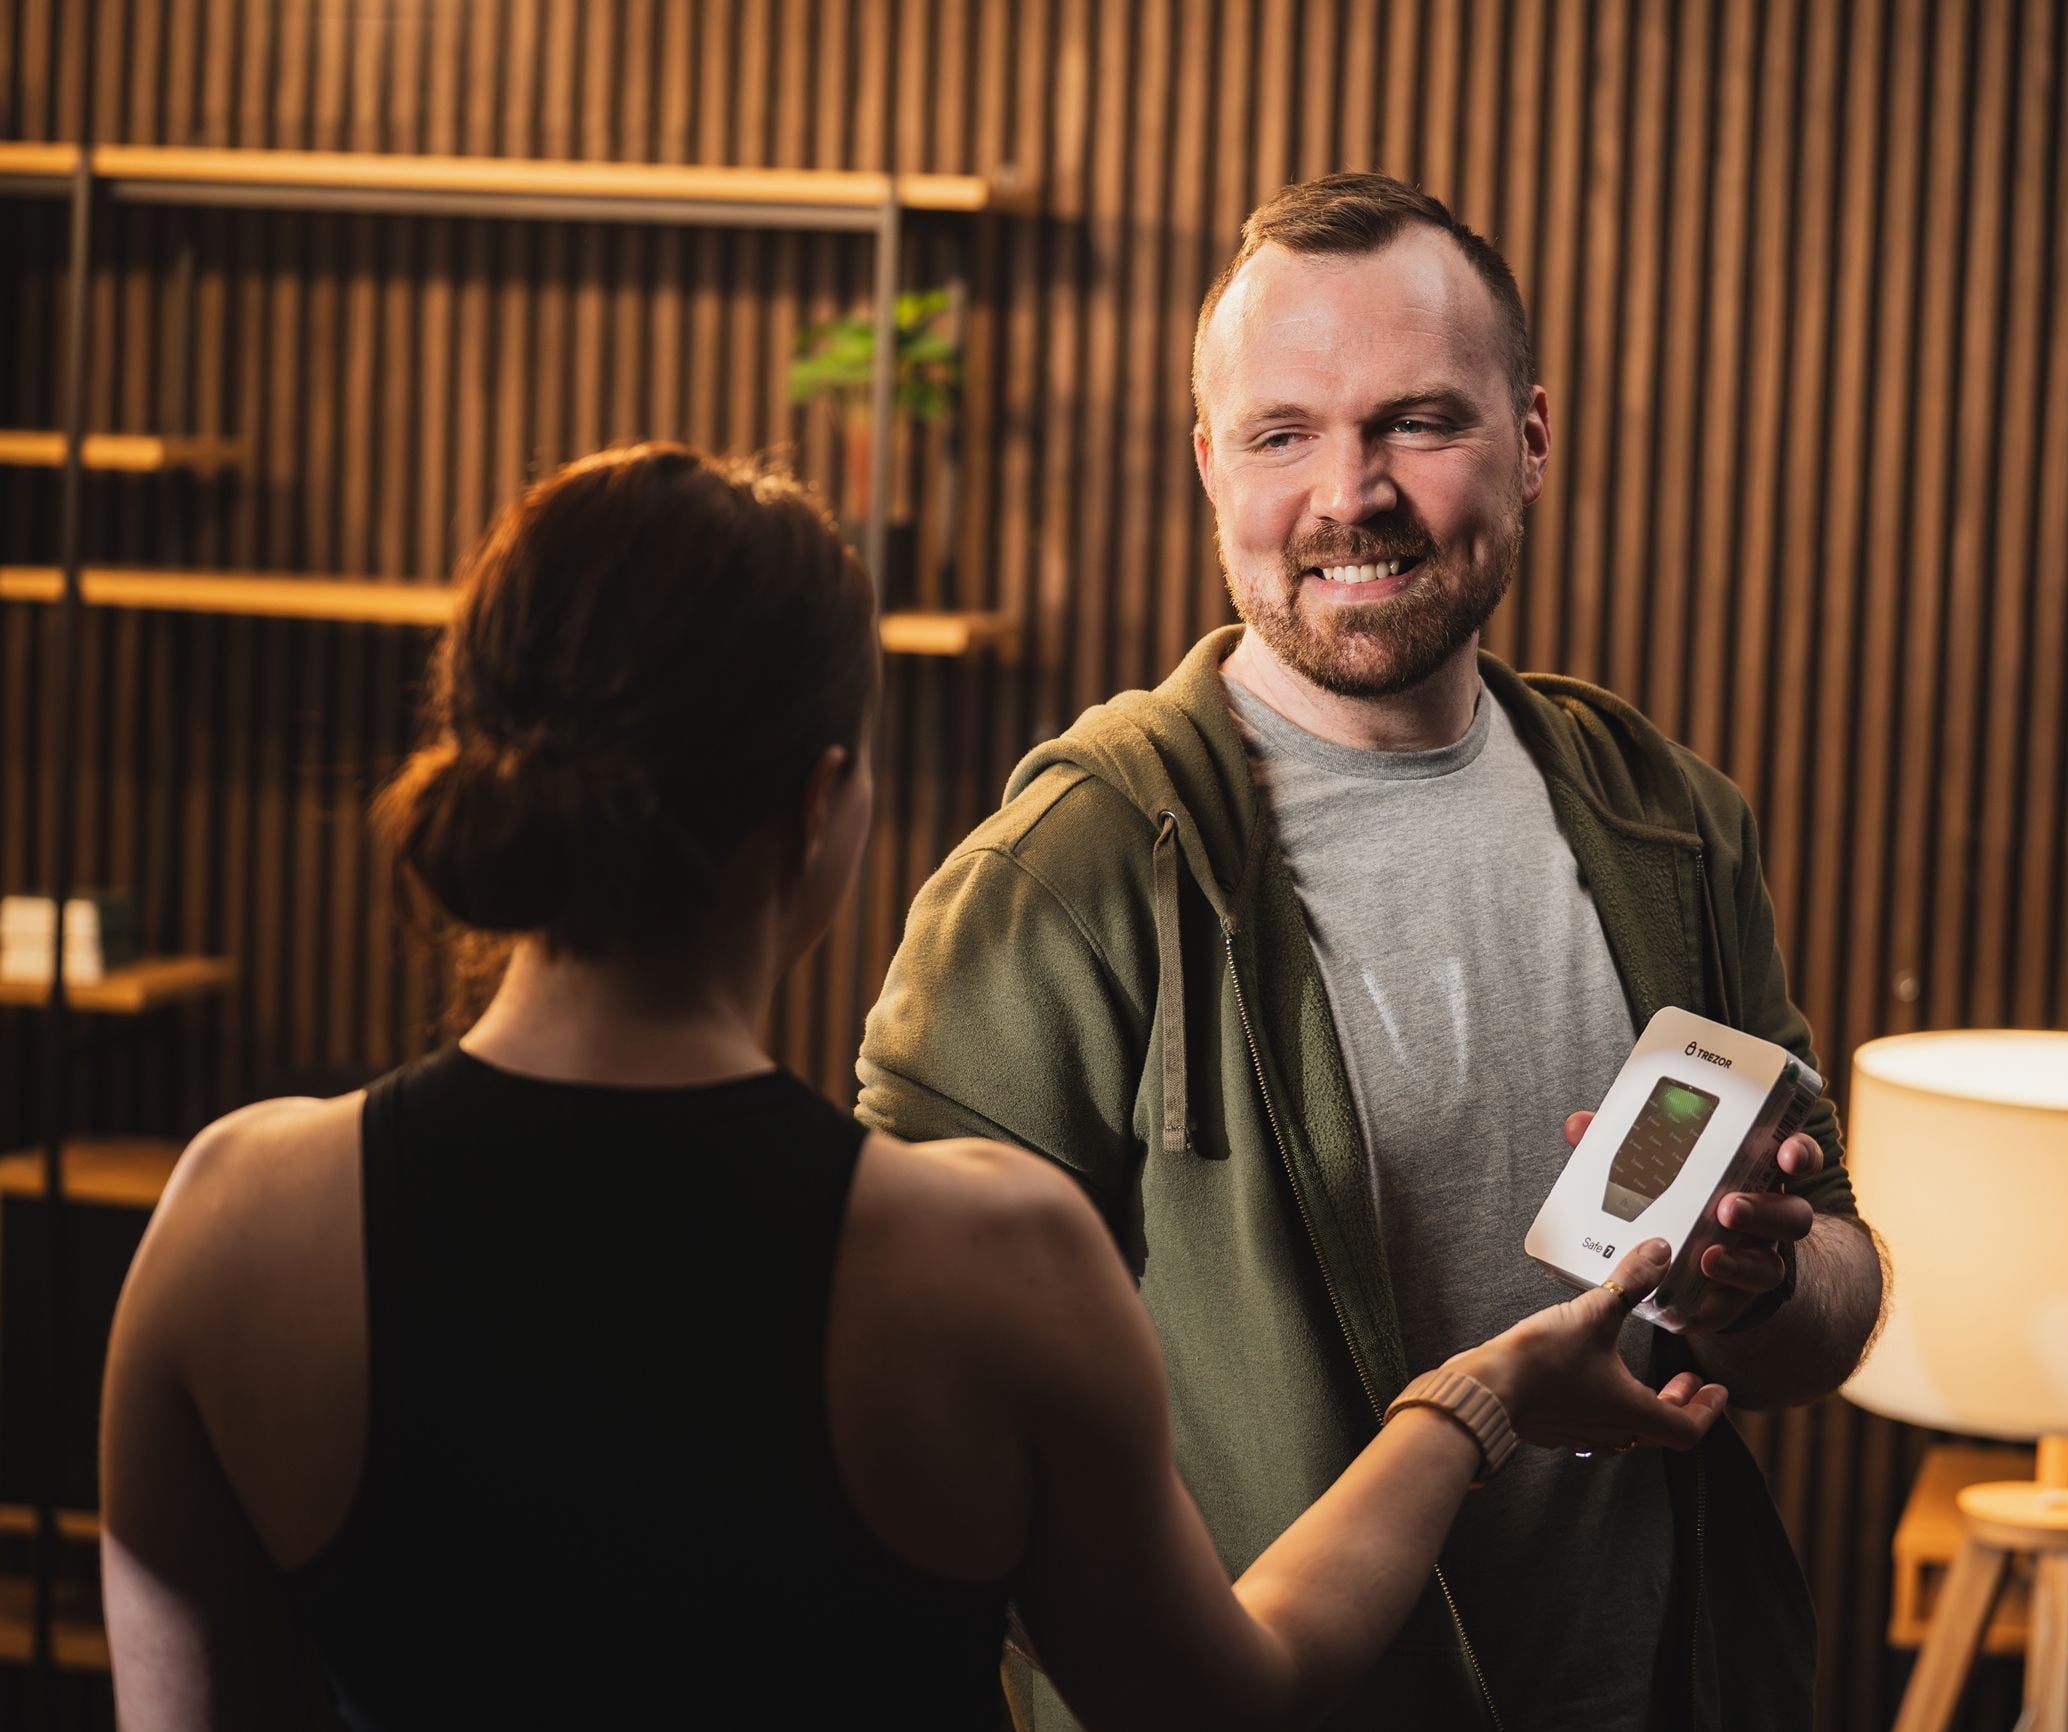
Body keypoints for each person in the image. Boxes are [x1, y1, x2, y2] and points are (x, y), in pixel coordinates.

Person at [97, 443, 1727, 1732]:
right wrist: (1482, 1396)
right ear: (821, 808)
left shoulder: (235, 1223)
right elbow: (1231, 1692)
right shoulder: (981, 1264)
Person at [858, 175, 1887, 1731]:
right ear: (1210, 465)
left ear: (1531, 439)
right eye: (1284, 435)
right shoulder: (1070, 871)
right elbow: (892, 1405)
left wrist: (1760, 1286)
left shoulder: (1664, 817)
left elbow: (1839, 1296)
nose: (1351, 493)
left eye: (1417, 423)